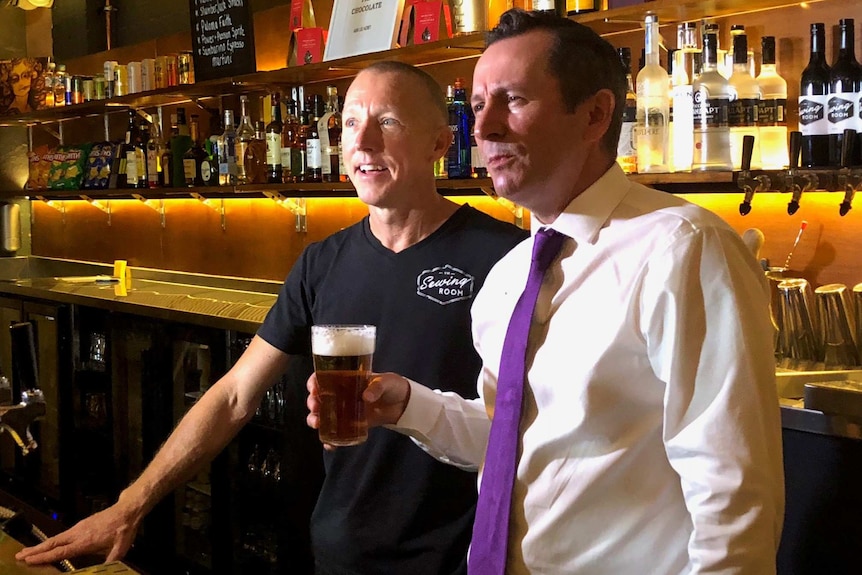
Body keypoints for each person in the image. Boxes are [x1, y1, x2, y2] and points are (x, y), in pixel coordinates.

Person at [309, 11, 785, 574]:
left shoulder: (683, 249)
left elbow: (732, 491)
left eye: (512, 101)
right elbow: (504, 438)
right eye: (480, 105)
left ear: (595, 115)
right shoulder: (511, 274)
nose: (484, 129)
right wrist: (410, 404)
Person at [16, 61, 527, 574]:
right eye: (350, 122)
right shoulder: (321, 263)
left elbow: (533, 425)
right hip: (340, 553)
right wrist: (131, 505)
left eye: (389, 121)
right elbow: (236, 395)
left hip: (462, 559)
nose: (364, 142)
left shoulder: (506, 259)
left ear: (441, 143)